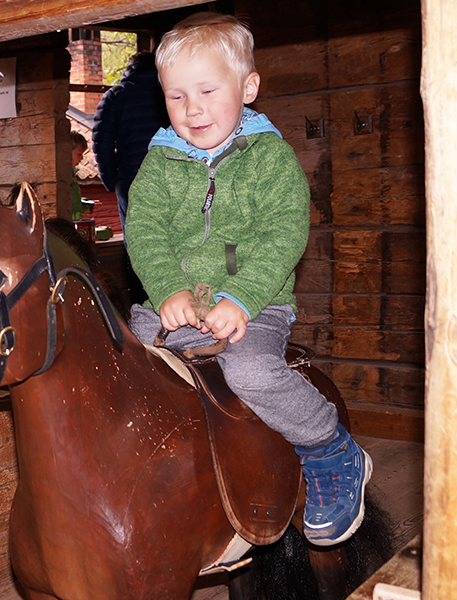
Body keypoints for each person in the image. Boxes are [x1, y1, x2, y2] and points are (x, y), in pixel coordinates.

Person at [125, 12, 371, 547]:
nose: (193, 109)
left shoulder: (269, 160)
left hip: (254, 305)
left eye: (208, 91)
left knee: (251, 372)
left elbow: (283, 234)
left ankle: (329, 447)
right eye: (176, 96)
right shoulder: (159, 164)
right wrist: (168, 289)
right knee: (115, 365)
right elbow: (144, 232)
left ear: (248, 88)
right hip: (172, 307)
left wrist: (242, 297)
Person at [92, 51, 169, 241]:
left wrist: (112, 181)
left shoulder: (115, 96)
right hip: (170, 177)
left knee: (138, 245)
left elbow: (103, 144)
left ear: (130, 68)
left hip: (132, 179)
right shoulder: (171, 93)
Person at [69, 131, 92, 221]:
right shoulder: (58, 178)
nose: (82, 158)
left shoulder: (71, 175)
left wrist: (86, 205)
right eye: (79, 154)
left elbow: (72, 203)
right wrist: (76, 216)